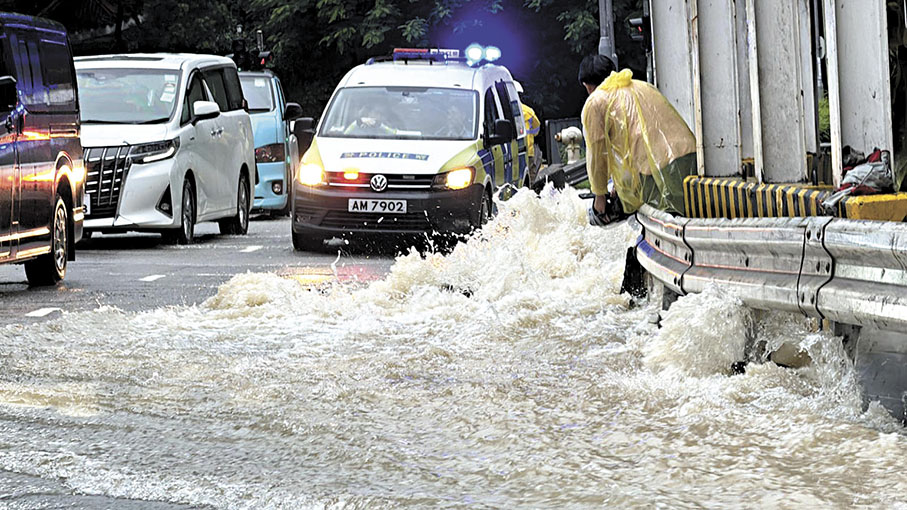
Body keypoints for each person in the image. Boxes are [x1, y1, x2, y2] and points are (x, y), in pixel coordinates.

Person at [579, 55, 697, 224]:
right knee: (690, 218)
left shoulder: (596, 101)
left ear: (588, 85)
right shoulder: (641, 86)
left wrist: (600, 196)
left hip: (656, 170)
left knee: (662, 224)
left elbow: (598, 155)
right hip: (689, 156)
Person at [514, 82, 543, 181]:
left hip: (511, 153)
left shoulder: (504, 112)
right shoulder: (528, 112)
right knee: (530, 179)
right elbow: (536, 129)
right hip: (528, 152)